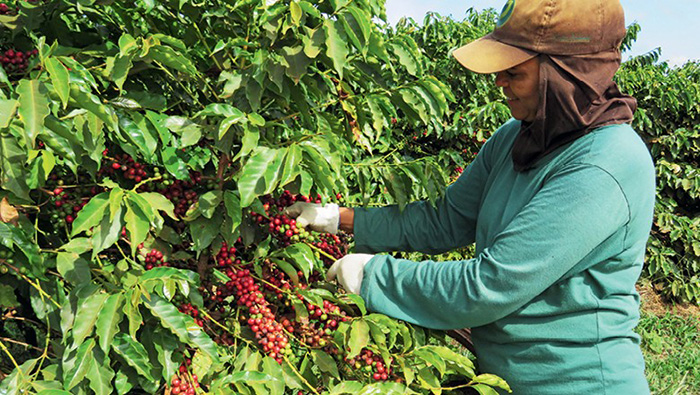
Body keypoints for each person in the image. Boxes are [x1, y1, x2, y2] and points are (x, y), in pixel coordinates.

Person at [285, 0, 655, 393]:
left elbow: (489, 286)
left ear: (567, 76)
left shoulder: (607, 164)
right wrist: (339, 218)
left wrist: (375, 276)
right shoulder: (517, 136)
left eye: (514, 72)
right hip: (499, 379)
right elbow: (446, 219)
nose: (499, 82)